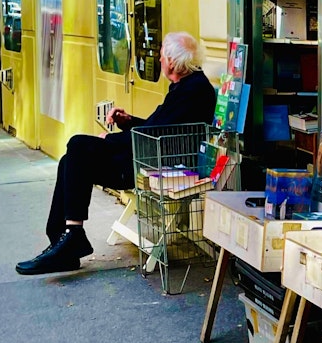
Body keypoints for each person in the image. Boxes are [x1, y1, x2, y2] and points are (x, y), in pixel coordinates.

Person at [16, 32, 217, 276]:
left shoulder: (192, 90)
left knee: (78, 145)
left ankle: (72, 236)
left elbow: (157, 134)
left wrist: (110, 139)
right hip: (149, 156)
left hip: (154, 165)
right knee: (71, 160)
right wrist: (128, 121)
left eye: (162, 54)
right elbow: (158, 127)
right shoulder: (186, 86)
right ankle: (64, 239)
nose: (159, 58)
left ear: (172, 62)